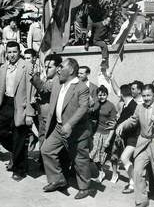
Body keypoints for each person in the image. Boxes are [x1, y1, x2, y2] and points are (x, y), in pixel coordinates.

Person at [40, 58, 91, 200]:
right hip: (58, 127)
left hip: (76, 130)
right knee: (46, 150)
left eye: (61, 67)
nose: (58, 69)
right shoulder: (58, 82)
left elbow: (83, 108)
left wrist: (70, 124)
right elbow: (44, 87)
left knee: (79, 160)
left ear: (71, 70)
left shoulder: (82, 88)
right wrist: (33, 78)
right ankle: (58, 179)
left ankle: (84, 187)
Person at [116, 84, 154, 207]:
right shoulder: (139, 107)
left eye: (149, 95)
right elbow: (133, 120)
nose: (146, 98)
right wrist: (122, 125)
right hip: (143, 144)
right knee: (137, 171)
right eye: (144, 96)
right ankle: (142, 200)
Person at [0, 41, 35, 181]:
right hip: (6, 104)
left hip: (20, 106)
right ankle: (19, 152)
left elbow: (31, 91)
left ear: (19, 52)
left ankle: (19, 170)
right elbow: (2, 91)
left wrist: (29, 113)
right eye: (9, 52)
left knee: (19, 137)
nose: (12, 55)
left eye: (14, 52)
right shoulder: (4, 67)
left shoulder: (27, 66)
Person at [29, 54, 62, 167]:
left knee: (47, 140)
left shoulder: (57, 80)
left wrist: (34, 77)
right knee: (42, 137)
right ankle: (44, 162)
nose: (46, 69)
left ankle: (49, 164)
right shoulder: (48, 78)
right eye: (45, 67)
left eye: (49, 67)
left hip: (50, 117)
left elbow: (44, 89)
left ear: (58, 68)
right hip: (42, 114)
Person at [89, 85, 118, 183]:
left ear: (107, 95)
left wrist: (108, 139)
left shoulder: (111, 106)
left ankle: (113, 173)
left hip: (107, 133)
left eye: (104, 95)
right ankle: (101, 172)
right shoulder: (96, 104)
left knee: (106, 156)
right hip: (97, 132)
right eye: (100, 95)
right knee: (92, 154)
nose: (102, 97)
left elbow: (113, 125)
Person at [115, 84, 138, 194]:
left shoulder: (132, 106)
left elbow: (130, 122)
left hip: (135, 138)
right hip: (130, 138)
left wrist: (118, 125)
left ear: (122, 94)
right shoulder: (128, 105)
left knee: (124, 158)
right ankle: (134, 181)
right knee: (131, 161)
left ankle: (133, 184)